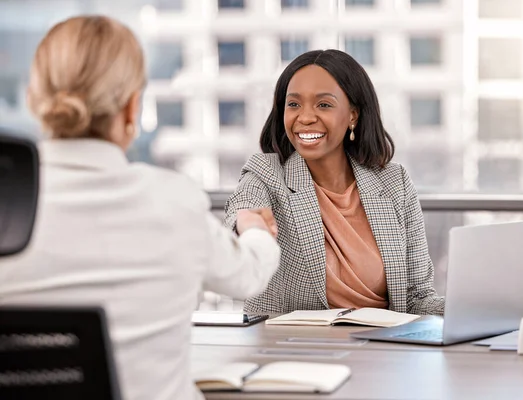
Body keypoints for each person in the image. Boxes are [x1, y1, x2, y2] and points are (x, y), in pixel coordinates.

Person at [0, 16, 279, 400]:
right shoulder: (174, 202)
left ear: (36, 99)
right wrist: (255, 229)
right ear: (132, 108)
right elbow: (248, 276)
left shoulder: (7, 210)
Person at [224, 49, 444, 316]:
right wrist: (250, 226)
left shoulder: (394, 182)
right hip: (293, 348)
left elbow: (418, 298)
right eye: (293, 104)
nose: (305, 117)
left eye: (323, 105)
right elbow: (242, 213)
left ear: (353, 114)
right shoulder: (266, 173)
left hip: (384, 350)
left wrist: (470, 309)